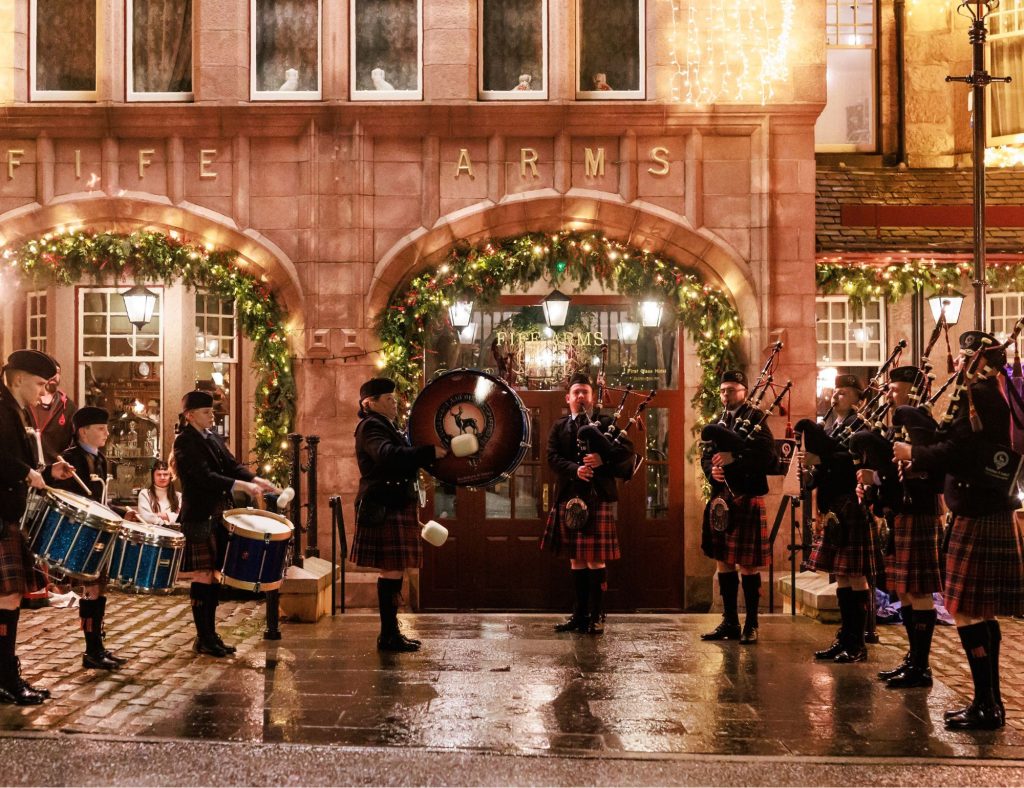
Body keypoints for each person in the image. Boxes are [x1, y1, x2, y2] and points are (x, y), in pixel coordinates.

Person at [894, 332, 1024, 729]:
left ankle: (987, 705)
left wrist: (913, 453)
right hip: (983, 508)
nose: (958, 363)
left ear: (978, 359)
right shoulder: (986, 393)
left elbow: (962, 452)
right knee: (976, 612)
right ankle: (989, 702)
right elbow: (955, 445)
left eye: (965, 356)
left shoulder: (981, 393)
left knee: (967, 611)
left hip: (980, 510)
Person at [852, 366, 944, 689]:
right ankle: (913, 658)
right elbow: (888, 471)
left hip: (918, 512)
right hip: (902, 515)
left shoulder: (921, 425)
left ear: (910, 390)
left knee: (918, 590)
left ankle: (922, 665)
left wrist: (877, 478)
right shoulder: (899, 426)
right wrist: (873, 486)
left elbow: (923, 471)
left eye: (894, 388)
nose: (889, 394)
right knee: (904, 590)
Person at [173, 390, 276, 657]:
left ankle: (210, 634)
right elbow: (203, 477)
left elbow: (231, 465)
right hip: (198, 515)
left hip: (218, 513)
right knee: (203, 575)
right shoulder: (184, 442)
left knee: (215, 575)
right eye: (206, 412)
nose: (212, 416)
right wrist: (239, 484)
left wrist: (255, 480)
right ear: (190, 415)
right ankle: (203, 636)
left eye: (212, 411)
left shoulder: (212, 438)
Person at [0, 350, 74, 704]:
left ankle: (5, 674)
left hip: (7, 515)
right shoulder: (2, 408)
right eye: (40, 384)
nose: (44, 392)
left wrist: (46, 472)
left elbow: (20, 461)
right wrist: (25, 472)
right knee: (8, 596)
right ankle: (5, 677)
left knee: (9, 597)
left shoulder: (17, 409)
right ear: (16, 379)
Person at [351, 378, 446, 653]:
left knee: (395, 570)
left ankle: (391, 633)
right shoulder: (370, 426)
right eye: (389, 399)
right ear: (370, 403)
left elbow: (400, 454)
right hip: (385, 505)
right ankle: (388, 635)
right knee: (391, 569)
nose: (395, 402)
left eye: (394, 398)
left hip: (395, 502)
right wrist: (427, 453)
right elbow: (387, 456)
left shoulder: (386, 425)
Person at [540, 372, 634, 636]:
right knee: (576, 560)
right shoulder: (560, 427)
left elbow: (627, 453)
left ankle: (597, 615)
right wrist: (575, 469)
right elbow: (551, 458)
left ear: (592, 397)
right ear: (568, 397)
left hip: (597, 497)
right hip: (569, 497)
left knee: (595, 560)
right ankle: (579, 615)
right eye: (576, 392)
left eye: (586, 392)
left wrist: (603, 461)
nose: (581, 396)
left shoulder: (606, 423)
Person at [800, 374, 883, 664]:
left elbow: (858, 464)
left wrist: (822, 459)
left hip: (852, 505)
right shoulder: (827, 426)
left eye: (844, 393)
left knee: (855, 574)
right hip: (834, 504)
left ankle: (858, 642)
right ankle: (845, 637)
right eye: (835, 392)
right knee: (842, 576)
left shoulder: (863, 427)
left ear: (858, 399)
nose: (837, 397)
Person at [46, 406, 126, 670]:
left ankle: (97, 646)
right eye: (100, 428)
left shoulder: (100, 459)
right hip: (80, 533)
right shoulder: (72, 459)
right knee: (90, 589)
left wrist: (124, 512)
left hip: (98, 531)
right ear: (83, 431)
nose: (107, 433)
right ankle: (92, 651)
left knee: (99, 589)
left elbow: (99, 500)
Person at [699, 370, 776, 644]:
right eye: (722, 390)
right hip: (722, 499)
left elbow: (768, 455)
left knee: (748, 565)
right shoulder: (717, 421)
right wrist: (712, 472)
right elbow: (705, 456)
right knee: (724, 561)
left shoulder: (756, 418)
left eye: (731, 389)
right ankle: (730, 622)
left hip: (746, 497)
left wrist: (734, 459)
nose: (726, 395)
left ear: (743, 391)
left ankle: (752, 624)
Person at [29, 361, 75, 464]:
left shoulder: (68, 406)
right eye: (51, 372)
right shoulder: (27, 402)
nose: (55, 376)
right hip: (28, 466)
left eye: (57, 372)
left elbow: (74, 440)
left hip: (55, 468)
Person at [135, 460, 181, 527]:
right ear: (153, 477)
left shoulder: (179, 496)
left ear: (170, 477)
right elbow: (146, 517)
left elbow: (181, 518)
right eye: (159, 474)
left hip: (175, 534)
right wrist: (168, 521)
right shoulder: (145, 494)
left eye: (165, 474)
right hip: (153, 534)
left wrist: (159, 515)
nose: (162, 477)